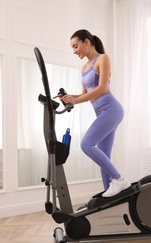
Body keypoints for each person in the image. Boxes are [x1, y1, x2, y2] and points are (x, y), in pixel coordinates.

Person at [55, 29, 131, 197]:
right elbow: (84, 95)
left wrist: (75, 100)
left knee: (86, 144)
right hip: (102, 113)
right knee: (104, 157)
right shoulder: (83, 68)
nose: (74, 51)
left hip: (111, 109)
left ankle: (119, 180)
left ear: (86, 42)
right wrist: (69, 97)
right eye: (72, 48)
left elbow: (102, 88)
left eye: (76, 46)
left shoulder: (102, 59)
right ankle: (109, 198)